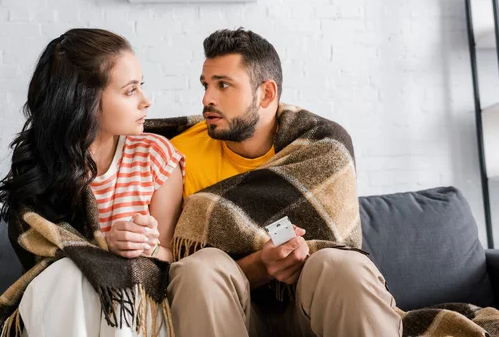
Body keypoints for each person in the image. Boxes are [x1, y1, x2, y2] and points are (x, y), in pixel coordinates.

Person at [156, 28, 402, 337]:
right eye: (206, 85)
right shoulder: (178, 154)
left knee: (341, 266)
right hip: (232, 311)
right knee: (199, 269)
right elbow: (166, 267)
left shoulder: (321, 147)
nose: (207, 99)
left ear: (267, 94)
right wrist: (261, 264)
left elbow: (337, 243)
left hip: (313, 307)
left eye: (223, 85)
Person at [0, 29, 184, 337]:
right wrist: (103, 244)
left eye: (142, 87)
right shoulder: (41, 166)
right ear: (85, 99)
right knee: (71, 272)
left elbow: (172, 259)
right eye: (130, 91)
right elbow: (40, 260)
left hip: (135, 306)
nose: (146, 101)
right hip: (60, 298)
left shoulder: (155, 157)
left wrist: (144, 246)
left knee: (122, 279)